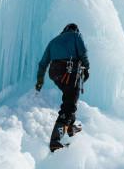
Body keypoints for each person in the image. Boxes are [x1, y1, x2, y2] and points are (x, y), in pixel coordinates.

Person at [35, 23, 90, 152]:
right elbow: (83, 52)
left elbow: (43, 63)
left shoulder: (53, 41)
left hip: (55, 73)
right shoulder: (76, 36)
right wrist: (87, 68)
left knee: (69, 98)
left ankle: (70, 127)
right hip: (69, 71)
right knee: (69, 104)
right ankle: (55, 140)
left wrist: (40, 81)